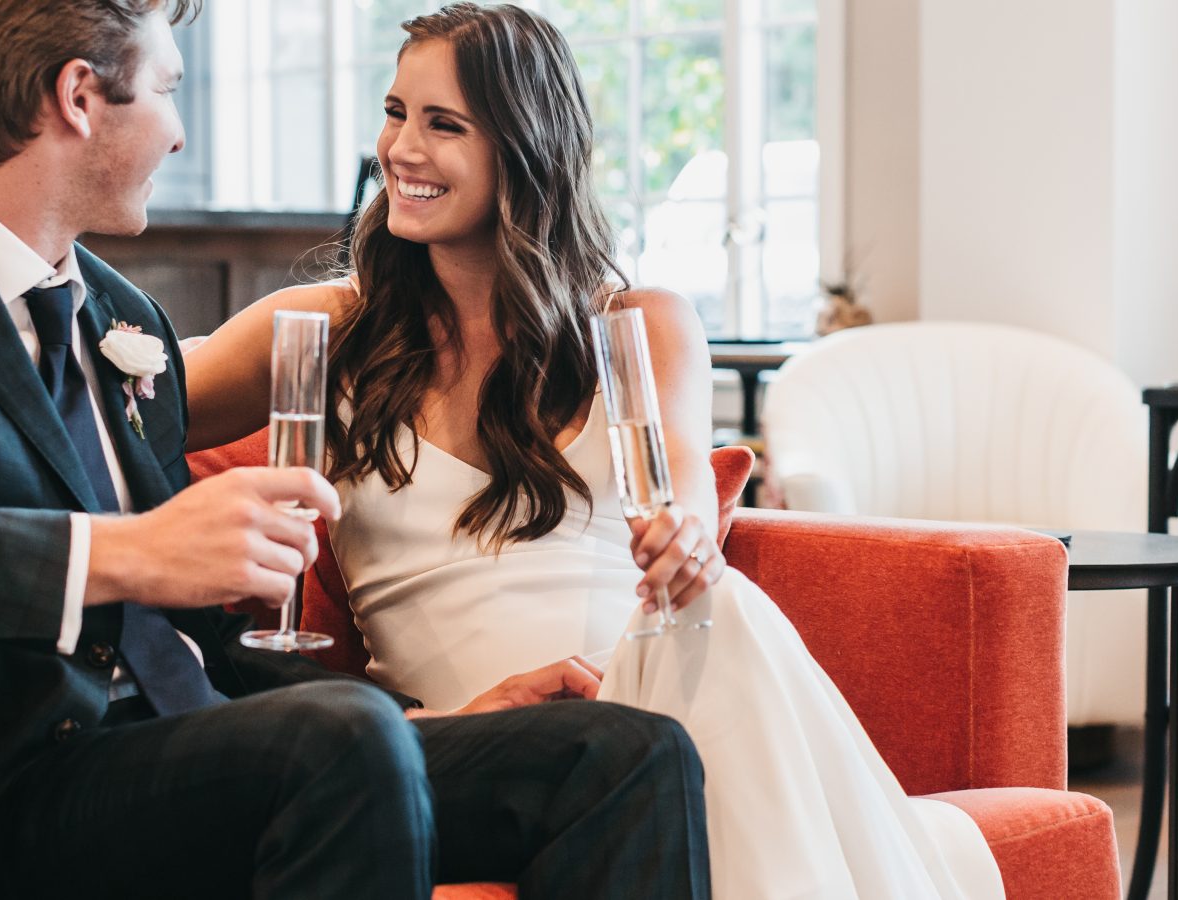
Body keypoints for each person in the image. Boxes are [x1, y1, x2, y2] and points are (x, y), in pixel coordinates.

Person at [0, 1, 710, 897]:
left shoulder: (118, 316)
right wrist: (115, 554)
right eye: (167, 89)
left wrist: (430, 721)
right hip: (33, 772)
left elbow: (197, 655)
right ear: (81, 96)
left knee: (622, 754)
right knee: (340, 738)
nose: (178, 134)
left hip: (214, 744)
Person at [184, 4, 1005, 898]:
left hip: (648, 682)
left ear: (525, 147)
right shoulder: (325, 328)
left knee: (721, 611)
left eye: (442, 124)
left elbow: (681, 496)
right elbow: (123, 400)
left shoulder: (641, 324)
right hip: (479, 744)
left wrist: (686, 540)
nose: (400, 149)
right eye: (395, 112)